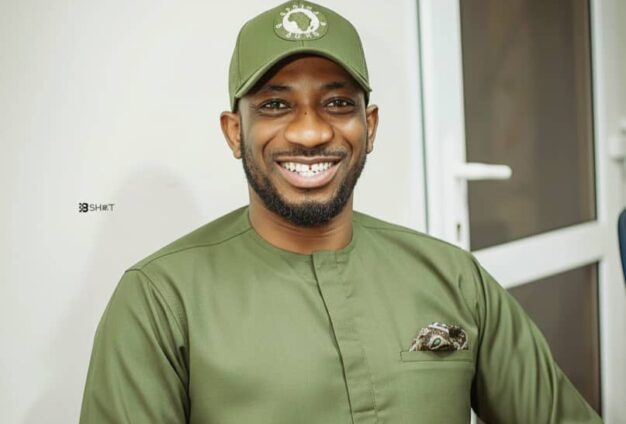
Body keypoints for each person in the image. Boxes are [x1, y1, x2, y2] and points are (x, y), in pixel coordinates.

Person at [79, 1, 603, 423]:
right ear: (235, 132)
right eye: (276, 105)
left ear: (369, 126)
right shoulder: (159, 302)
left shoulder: (454, 278)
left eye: (337, 104)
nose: (311, 133)